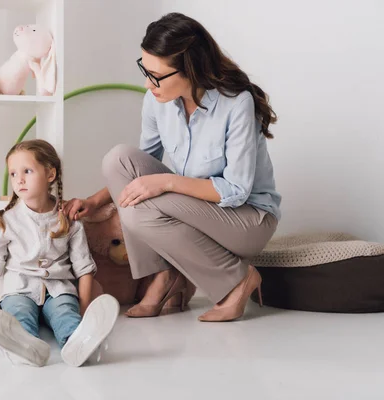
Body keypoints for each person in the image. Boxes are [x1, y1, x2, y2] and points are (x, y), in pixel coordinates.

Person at [64, 12, 281, 322]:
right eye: (145, 69)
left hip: (247, 219)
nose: (148, 82)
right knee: (118, 159)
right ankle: (165, 274)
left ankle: (237, 279)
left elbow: (236, 190)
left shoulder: (237, 102)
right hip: (191, 208)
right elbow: (135, 172)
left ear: (190, 69)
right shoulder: (157, 100)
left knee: (144, 208)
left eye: (156, 75)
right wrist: (94, 202)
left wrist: (166, 182)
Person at [0, 139, 120, 367]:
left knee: (66, 315)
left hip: (59, 290)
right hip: (19, 290)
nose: (19, 180)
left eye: (27, 171)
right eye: (14, 174)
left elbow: (84, 270)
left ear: (50, 174)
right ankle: (24, 347)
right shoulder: (6, 221)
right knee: (19, 315)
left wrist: (83, 312)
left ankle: (80, 341)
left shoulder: (69, 219)